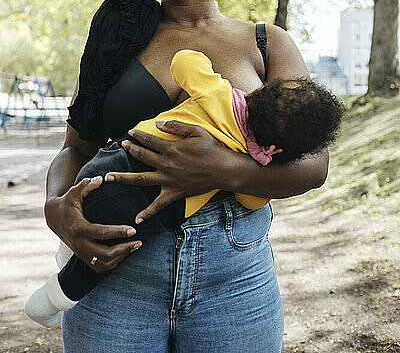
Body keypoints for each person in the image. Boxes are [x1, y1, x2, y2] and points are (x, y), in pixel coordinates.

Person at [43, 0, 330, 353]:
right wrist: (57, 207)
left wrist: (224, 171)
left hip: (234, 282)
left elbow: (314, 166)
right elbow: (75, 148)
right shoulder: (117, 35)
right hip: (115, 277)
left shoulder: (266, 43)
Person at [25, 49, 343, 327]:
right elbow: (252, 201)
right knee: (105, 256)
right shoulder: (256, 159)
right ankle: (52, 298)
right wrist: (242, 167)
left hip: (119, 161)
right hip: (158, 212)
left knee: (89, 220)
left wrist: (214, 74)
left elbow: (184, 62)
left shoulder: (220, 95)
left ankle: (67, 254)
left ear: (254, 95)